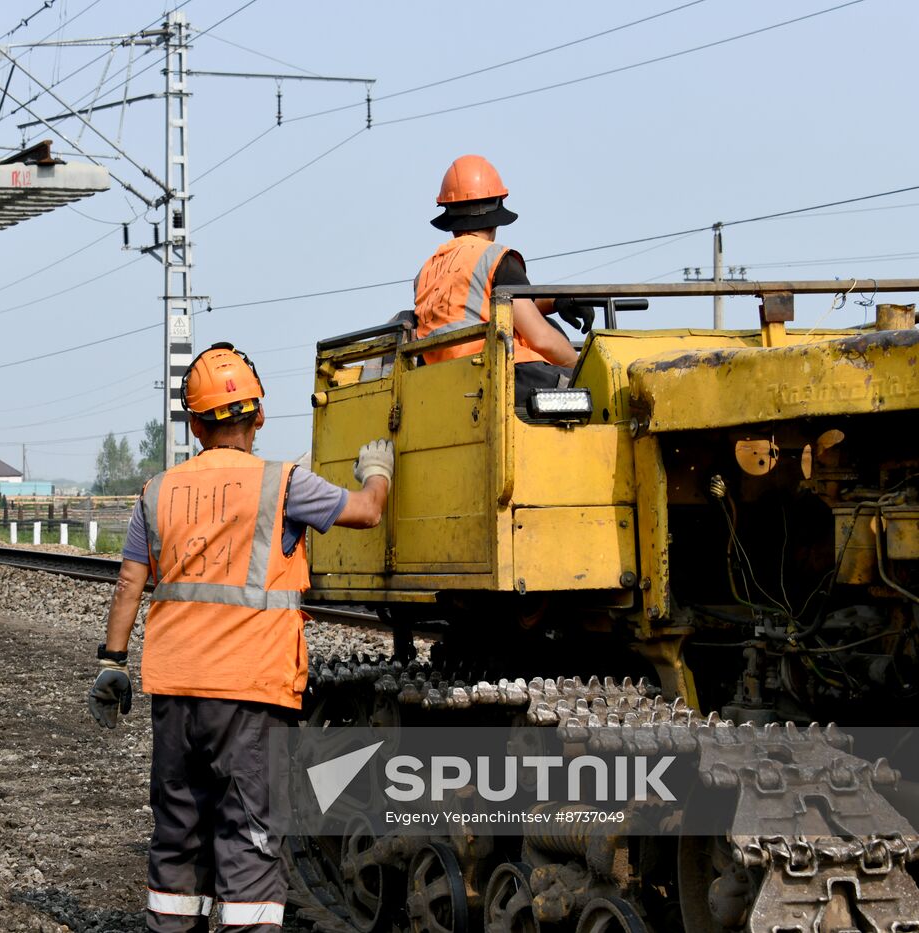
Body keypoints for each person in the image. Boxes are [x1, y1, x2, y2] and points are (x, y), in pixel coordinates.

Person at [87, 342, 394, 932]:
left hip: (176, 690)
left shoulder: (158, 491)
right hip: (252, 690)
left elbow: (129, 582)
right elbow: (365, 513)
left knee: (179, 828)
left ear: (196, 423)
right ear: (257, 416)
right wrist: (377, 472)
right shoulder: (283, 485)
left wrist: (113, 662)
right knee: (251, 833)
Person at [414, 154, 590, 407]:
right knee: (586, 387)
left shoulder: (428, 270)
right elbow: (540, 338)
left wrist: (556, 301)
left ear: (449, 218)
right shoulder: (496, 258)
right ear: (497, 213)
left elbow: (482, 309)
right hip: (500, 375)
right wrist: (583, 368)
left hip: (445, 383)